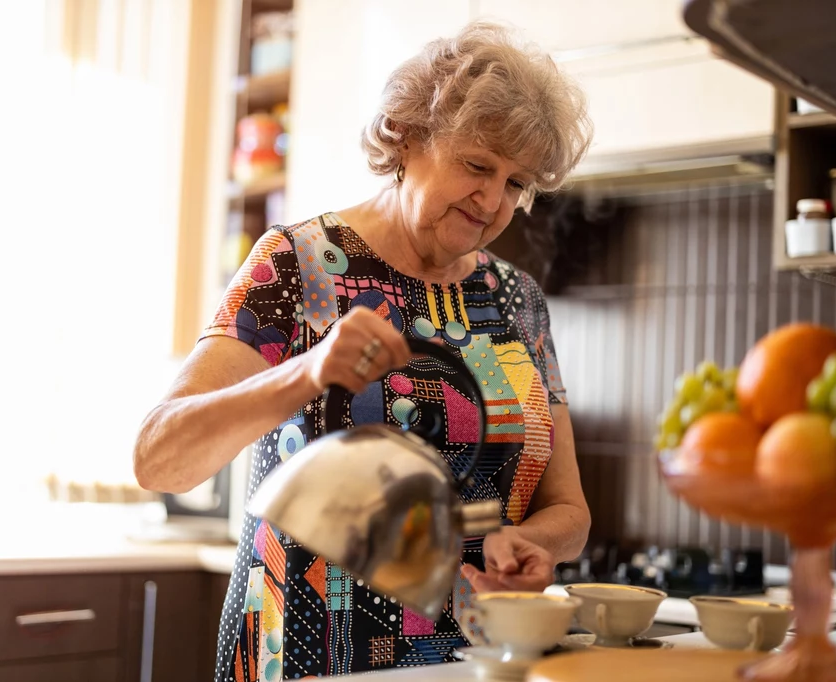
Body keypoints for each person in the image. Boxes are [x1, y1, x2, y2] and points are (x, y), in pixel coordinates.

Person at [134, 20, 592, 681]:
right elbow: (158, 458)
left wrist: (533, 544)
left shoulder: (518, 301)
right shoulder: (297, 265)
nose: (493, 200)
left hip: (470, 663)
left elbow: (568, 510)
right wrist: (306, 372)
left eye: (517, 183)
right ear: (407, 138)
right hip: (304, 660)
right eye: (476, 166)